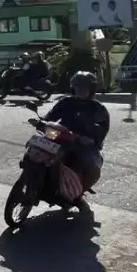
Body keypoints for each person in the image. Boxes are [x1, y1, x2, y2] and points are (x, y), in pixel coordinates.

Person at [43, 71, 109, 212]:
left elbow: (101, 131)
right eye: (77, 87)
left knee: (93, 168)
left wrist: (90, 139)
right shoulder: (66, 102)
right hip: (62, 138)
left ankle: (77, 196)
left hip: (83, 145)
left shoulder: (98, 109)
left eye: (84, 88)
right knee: (39, 146)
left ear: (91, 90)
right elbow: (50, 116)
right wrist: (42, 121)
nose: (80, 91)